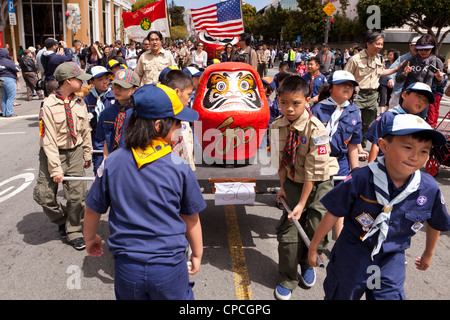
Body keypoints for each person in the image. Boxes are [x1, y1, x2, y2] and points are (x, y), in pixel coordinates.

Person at [83, 83, 206, 300]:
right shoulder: (179, 166)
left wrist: (90, 237)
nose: (180, 128)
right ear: (159, 125)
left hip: (126, 268)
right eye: (177, 123)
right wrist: (197, 252)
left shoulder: (112, 162)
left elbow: (93, 209)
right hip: (169, 266)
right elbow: (190, 217)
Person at [308, 113, 450, 300]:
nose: (415, 157)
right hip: (353, 254)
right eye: (408, 147)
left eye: (424, 151)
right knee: (342, 295)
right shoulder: (361, 178)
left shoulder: (427, 188)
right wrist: (313, 246)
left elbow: (435, 221)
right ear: (383, 146)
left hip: (390, 259)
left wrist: (428, 253)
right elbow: (333, 212)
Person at [269, 75, 338, 300]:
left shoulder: (316, 130)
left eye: (296, 103)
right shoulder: (277, 126)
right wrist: (283, 189)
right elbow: (281, 163)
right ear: (278, 101)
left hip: (318, 183)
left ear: (307, 100)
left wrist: (301, 204)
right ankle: (288, 278)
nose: (289, 109)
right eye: (284, 103)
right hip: (293, 180)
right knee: (288, 234)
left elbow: (313, 173)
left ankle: (308, 262)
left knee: (316, 225)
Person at [32, 62, 93, 250]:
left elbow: (85, 131)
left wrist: (87, 152)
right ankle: (62, 219)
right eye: (79, 80)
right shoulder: (48, 105)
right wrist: (56, 168)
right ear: (68, 81)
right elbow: (48, 139)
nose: (83, 83)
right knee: (44, 195)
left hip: (74, 151)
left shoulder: (79, 102)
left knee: (77, 196)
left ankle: (74, 230)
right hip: (53, 153)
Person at [345, 32, 403, 146]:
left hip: (372, 96)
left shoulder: (379, 58)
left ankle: (361, 145)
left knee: (369, 123)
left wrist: (396, 69)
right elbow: (346, 76)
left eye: (381, 44)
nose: (380, 47)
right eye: (377, 44)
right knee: (353, 122)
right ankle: (350, 145)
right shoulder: (355, 59)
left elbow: (381, 73)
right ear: (368, 44)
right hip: (358, 95)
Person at [365, 82, 436, 162]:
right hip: (383, 167)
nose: (422, 102)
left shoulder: (419, 124)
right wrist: (371, 171)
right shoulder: (388, 117)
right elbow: (376, 146)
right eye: (419, 96)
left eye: (426, 100)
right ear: (404, 95)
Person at [396, 34, 445, 119]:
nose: (423, 52)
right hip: (409, 97)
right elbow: (398, 79)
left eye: (427, 49)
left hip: (424, 98)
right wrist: (404, 74)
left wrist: (439, 79)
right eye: (420, 49)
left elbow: (440, 84)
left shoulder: (436, 62)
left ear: (432, 49)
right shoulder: (410, 61)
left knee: (419, 124)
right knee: (404, 122)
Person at [96, 68, 140, 157]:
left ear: (134, 89)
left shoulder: (139, 113)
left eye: (123, 87)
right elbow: (100, 140)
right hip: (111, 160)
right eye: (115, 85)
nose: (117, 89)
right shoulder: (106, 113)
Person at [160, 69, 196, 170]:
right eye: (188, 94)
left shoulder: (183, 116)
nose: (189, 99)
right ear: (177, 92)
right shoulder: (166, 122)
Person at [83, 66, 115, 173]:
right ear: (92, 82)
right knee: (99, 170)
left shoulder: (114, 96)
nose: (105, 81)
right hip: (97, 140)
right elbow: (85, 124)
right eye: (100, 79)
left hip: (114, 139)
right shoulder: (87, 99)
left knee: (115, 170)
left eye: (107, 78)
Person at [387, 36, 419, 109]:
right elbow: (393, 68)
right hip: (399, 90)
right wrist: (390, 79)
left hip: (415, 92)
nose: (417, 49)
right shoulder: (403, 58)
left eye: (419, 46)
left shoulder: (423, 60)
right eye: (415, 46)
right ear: (410, 46)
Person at [0, 48, 20, 117]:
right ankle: (9, 113)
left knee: (4, 97)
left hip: (1, 80)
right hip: (9, 79)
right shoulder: (8, 62)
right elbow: (17, 69)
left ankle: (4, 112)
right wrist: (17, 64)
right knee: (11, 97)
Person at [378, 49, 400, 113]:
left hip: (393, 84)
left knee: (389, 98)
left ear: (394, 56)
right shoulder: (384, 63)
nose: (388, 56)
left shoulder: (398, 65)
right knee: (382, 97)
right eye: (388, 55)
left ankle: (387, 111)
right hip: (383, 83)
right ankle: (381, 113)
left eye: (390, 55)